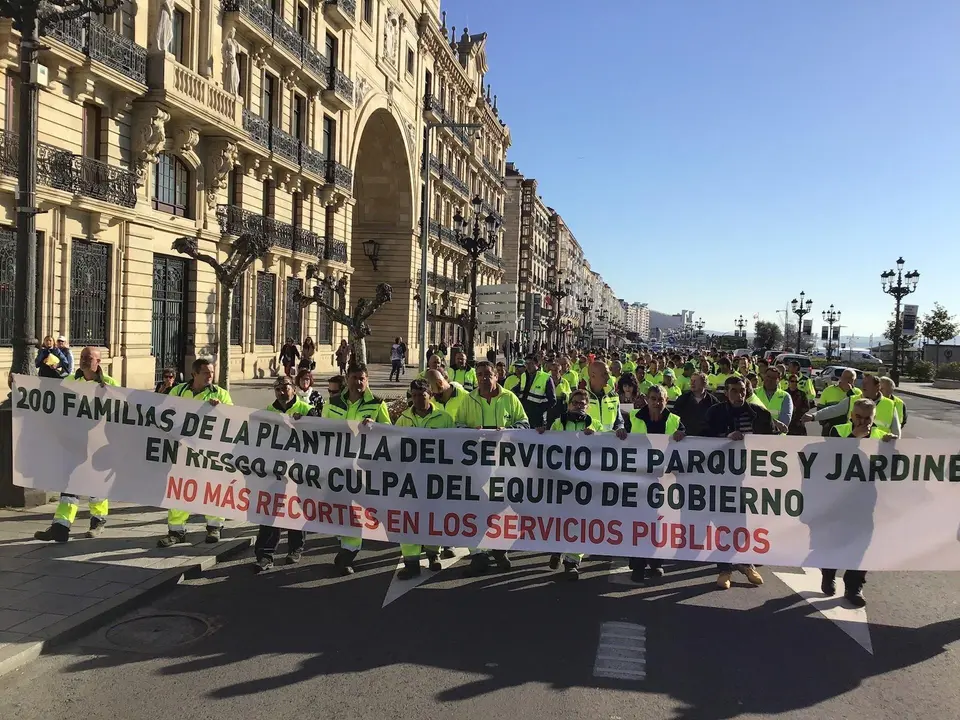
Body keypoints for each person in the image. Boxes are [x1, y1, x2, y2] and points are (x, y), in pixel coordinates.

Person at [33, 347, 118, 542]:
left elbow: (123, 411)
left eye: (89, 358)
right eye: (82, 357)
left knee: (96, 483)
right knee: (69, 484)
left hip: (98, 444)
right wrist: (19, 385)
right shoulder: (71, 381)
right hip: (74, 442)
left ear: (99, 361)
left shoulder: (111, 384)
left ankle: (98, 520)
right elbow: (52, 398)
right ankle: (61, 526)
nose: (85, 361)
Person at [455, 361, 529, 575]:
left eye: (488, 375)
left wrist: (507, 430)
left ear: (497, 376)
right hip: (477, 466)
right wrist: (471, 432)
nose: (483, 379)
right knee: (476, 509)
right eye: (479, 375)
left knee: (506, 510)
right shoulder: (469, 400)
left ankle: (499, 548)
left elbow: (525, 424)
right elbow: (457, 426)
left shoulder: (509, 399)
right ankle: (478, 554)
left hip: (504, 466)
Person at [821, 398, 895, 607]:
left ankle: (854, 587)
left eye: (868, 418)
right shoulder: (838, 431)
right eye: (859, 417)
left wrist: (892, 446)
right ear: (852, 415)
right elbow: (830, 459)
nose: (863, 422)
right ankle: (828, 573)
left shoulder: (881, 436)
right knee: (834, 541)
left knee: (863, 545)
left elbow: (893, 467)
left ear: (874, 418)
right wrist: (854, 438)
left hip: (866, 501)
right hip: (837, 499)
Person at [321, 363, 391, 575]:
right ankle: (346, 547)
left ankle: (348, 553)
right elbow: (321, 431)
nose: (358, 382)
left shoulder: (378, 404)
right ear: (347, 378)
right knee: (340, 509)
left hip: (365, 469)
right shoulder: (332, 403)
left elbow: (390, 433)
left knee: (359, 510)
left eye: (362, 378)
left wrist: (376, 427)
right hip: (337, 468)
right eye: (354, 378)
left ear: (367, 380)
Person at [704, 376, 773, 589]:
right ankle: (724, 569)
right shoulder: (714, 413)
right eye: (734, 391)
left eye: (742, 390)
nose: (739, 394)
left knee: (745, 524)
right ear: (726, 393)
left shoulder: (760, 414)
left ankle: (746, 563)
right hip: (721, 479)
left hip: (750, 479)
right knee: (723, 524)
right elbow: (701, 439)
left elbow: (773, 442)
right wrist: (725, 437)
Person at [158, 357, 232, 547]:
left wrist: (220, 410)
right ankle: (176, 530)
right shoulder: (179, 391)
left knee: (211, 487)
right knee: (179, 488)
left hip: (209, 451)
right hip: (183, 449)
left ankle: (214, 527)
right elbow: (165, 412)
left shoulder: (220, 394)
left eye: (212, 372)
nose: (210, 376)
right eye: (206, 373)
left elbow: (232, 421)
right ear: (194, 374)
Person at [537, 388, 603, 580]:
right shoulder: (558, 423)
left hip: (584, 482)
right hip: (561, 481)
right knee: (559, 519)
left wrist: (597, 435)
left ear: (588, 406)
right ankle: (557, 548)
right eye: (576, 402)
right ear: (569, 404)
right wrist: (541, 433)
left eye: (583, 403)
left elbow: (611, 446)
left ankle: (572, 561)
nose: (579, 406)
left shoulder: (595, 425)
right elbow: (547, 445)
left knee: (580, 521)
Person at [624, 384, 686, 582]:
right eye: (653, 398)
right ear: (647, 399)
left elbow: (688, 444)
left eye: (660, 399)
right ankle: (638, 564)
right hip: (639, 479)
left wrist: (682, 436)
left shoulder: (675, 421)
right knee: (639, 522)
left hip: (664, 482)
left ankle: (656, 561)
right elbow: (620, 439)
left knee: (659, 523)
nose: (656, 403)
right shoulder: (634, 418)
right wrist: (619, 434)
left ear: (666, 401)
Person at [395, 379, 454, 579]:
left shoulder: (444, 418)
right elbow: (393, 446)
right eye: (415, 396)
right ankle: (411, 562)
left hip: (435, 479)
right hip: (409, 479)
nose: (419, 399)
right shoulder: (403, 419)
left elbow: (455, 447)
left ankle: (432, 555)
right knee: (408, 519)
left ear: (430, 395)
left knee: (433, 517)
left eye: (422, 395)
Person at [252, 376, 313, 572]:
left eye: (285, 387)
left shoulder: (307, 410)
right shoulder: (267, 413)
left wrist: (303, 424)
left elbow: (319, 435)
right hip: (274, 471)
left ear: (293, 389)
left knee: (294, 509)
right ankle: (265, 554)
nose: (281, 391)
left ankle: (295, 549)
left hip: (298, 469)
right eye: (277, 388)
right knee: (270, 511)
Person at [804, 373, 900, 437]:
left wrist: (894, 445)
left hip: (877, 450)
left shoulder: (890, 404)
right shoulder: (852, 399)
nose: (863, 386)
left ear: (877, 387)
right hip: (851, 443)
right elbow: (833, 410)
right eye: (863, 383)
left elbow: (896, 431)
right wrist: (814, 416)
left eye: (867, 384)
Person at [504, 354, 555, 429]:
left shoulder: (546, 378)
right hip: (524, 414)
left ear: (537, 364)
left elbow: (552, 400)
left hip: (537, 418)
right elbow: (517, 389)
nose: (528, 366)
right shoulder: (524, 376)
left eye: (530, 363)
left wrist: (539, 410)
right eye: (526, 363)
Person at [813, 368, 862, 436]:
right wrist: (825, 424)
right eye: (845, 378)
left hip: (849, 430)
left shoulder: (858, 392)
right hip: (830, 428)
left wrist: (850, 392)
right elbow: (820, 407)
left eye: (850, 378)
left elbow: (859, 408)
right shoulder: (828, 390)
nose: (847, 380)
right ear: (841, 378)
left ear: (855, 380)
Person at [585, 361, 628, 437]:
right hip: (588, 443)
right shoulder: (580, 397)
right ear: (593, 376)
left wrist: (620, 428)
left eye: (608, 373)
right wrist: (584, 430)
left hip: (609, 444)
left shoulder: (614, 396)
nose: (608, 377)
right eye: (605, 374)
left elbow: (619, 420)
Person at [672, 372, 718, 438]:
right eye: (691, 380)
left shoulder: (713, 401)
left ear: (704, 384)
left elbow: (718, 422)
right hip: (685, 439)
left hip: (706, 441)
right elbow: (674, 419)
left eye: (695, 381)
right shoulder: (682, 399)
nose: (692, 383)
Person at [751, 367, 794, 433]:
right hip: (756, 435)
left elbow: (784, 422)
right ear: (764, 377)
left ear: (779, 380)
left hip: (777, 437)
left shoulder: (785, 396)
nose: (770, 380)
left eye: (774, 378)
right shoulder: (754, 393)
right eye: (768, 376)